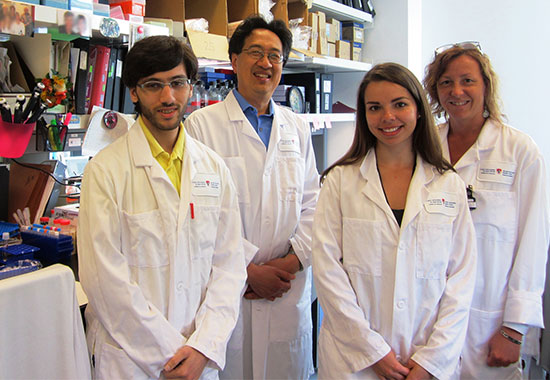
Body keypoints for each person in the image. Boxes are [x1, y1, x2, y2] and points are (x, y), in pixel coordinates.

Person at [78, 35, 247, 380]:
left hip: (199, 357)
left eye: (177, 83)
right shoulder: (106, 171)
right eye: (154, 85)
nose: (168, 97)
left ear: (190, 86)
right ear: (134, 92)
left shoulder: (214, 169)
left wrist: (202, 348)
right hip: (131, 362)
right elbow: (104, 280)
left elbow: (229, 267)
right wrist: (171, 355)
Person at [312, 62, 477, 380]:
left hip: (426, 359)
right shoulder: (340, 181)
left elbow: (461, 278)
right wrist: (372, 350)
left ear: (418, 109)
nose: (387, 117)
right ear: (364, 115)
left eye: (399, 104)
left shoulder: (447, 184)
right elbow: (328, 272)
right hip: (355, 361)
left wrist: (432, 359)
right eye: (375, 108)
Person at [184, 15, 319, 380]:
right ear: (234, 59)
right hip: (230, 293)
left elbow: (312, 205)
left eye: (275, 56)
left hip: (287, 289)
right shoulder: (201, 126)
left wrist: (289, 264)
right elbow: (199, 215)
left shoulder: (297, 128)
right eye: (255, 52)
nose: (266, 63)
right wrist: (248, 272)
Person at [424, 42, 549, 379]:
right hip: (429, 323)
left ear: (486, 86)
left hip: (489, 322)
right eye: (446, 82)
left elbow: (533, 246)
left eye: (468, 80)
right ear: (436, 90)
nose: (457, 91)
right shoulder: (424, 147)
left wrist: (513, 329)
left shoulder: (520, 151)